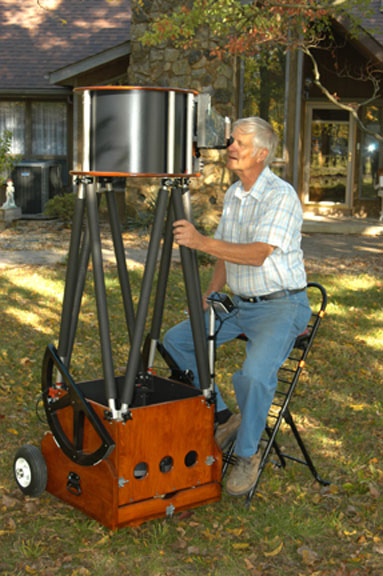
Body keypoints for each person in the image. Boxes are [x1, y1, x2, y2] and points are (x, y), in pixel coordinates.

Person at [164, 117, 312, 497]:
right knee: (177, 343)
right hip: (238, 305)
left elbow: (258, 254)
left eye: (240, 143)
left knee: (252, 375)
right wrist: (212, 294)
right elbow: (225, 254)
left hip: (281, 305)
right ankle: (226, 417)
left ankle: (248, 453)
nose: (231, 147)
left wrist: (200, 241)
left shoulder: (280, 196)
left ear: (261, 154)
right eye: (232, 140)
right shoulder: (234, 194)